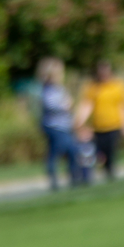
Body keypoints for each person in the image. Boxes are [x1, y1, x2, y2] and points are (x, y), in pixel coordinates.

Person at [75, 60, 124, 181]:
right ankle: (104, 171)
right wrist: (78, 121)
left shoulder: (118, 85)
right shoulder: (93, 87)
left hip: (114, 125)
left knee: (111, 151)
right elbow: (87, 105)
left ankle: (110, 172)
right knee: (100, 153)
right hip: (98, 127)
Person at [34, 58, 83, 191]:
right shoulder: (47, 90)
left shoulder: (59, 88)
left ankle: (73, 177)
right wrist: (65, 106)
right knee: (59, 151)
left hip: (64, 125)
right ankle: (56, 179)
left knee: (71, 150)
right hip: (54, 126)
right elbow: (51, 105)